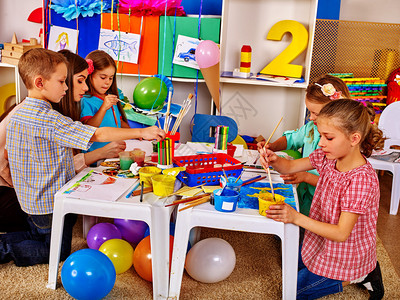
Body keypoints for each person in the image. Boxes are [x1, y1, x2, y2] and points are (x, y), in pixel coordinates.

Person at [1, 48, 165, 267]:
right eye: (62, 81)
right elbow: (97, 133)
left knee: (37, 233)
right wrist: (142, 132)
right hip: (49, 202)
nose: (67, 87)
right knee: (55, 251)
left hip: (30, 200)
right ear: (40, 83)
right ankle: (4, 247)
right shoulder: (49, 119)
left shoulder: (19, 113)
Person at [260, 99, 385, 299]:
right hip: (322, 240)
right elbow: (290, 167)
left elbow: (341, 233)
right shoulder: (329, 157)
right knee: (291, 266)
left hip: (345, 254)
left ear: (354, 139)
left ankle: (362, 274)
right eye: (320, 136)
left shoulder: (362, 180)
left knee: (293, 291)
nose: (320, 143)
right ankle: (361, 270)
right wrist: (274, 159)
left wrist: (296, 217)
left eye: (328, 137)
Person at [258, 74, 351, 216]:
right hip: (305, 198)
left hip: (327, 204)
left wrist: (306, 176)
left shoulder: (343, 147)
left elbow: (338, 187)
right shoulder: (311, 128)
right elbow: (291, 140)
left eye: (316, 113)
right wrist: (272, 149)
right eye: (310, 112)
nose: (311, 117)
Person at [80, 50, 129, 153]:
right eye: (103, 77)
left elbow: (119, 121)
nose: (107, 82)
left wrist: (138, 134)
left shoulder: (109, 97)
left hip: (112, 155)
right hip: (95, 158)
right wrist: (103, 108)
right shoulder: (86, 100)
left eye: (111, 78)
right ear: (89, 75)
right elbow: (88, 129)